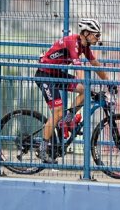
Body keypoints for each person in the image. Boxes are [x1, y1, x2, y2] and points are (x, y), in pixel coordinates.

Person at [35, 17, 115, 158]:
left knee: (85, 91)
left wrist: (109, 81)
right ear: (86, 34)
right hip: (45, 75)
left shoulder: (85, 46)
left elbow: (95, 64)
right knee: (58, 112)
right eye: (96, 35)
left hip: (57, 74)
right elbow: (78, 68)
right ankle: (42, 148)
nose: (98, 38)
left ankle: (66, 122)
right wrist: (85, 81)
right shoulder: (73, 42)